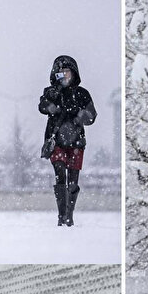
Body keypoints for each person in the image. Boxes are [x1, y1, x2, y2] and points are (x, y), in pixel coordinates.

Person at [38, 55, 97, 227]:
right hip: (56, 140)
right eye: (60, 73)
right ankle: (61, 215)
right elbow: (42, 106)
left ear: (73, 73)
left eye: (67, 72)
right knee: (59, 171)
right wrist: (52, 105)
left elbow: (92, 116)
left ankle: (69, 215)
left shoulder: (82, 94)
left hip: (76, 142)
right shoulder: (51, 92)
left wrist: (79, 115)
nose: (64, 76)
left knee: (73, 178)